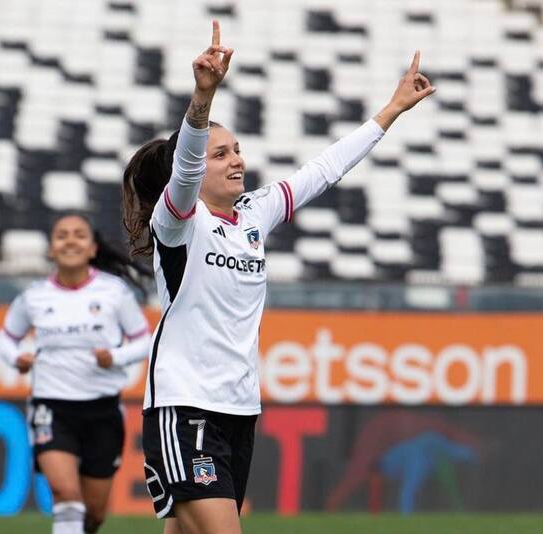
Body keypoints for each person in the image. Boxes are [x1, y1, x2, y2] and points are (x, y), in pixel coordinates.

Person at [122, 20, 435, 534]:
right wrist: (203, 98)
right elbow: (184, 168)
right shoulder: (178, 222)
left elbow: (324, 169)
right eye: (220, 154)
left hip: (238, 407)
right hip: (185, 404)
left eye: (237, 149)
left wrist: (390, 112)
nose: (236, 160)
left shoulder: (253, 216)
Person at [0, 213, 152, 534]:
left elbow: (143, 340)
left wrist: (116, 357)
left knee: (93, 514)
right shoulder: (34, 296)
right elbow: (6, 337)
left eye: (79, 235)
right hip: (51, 408)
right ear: (51, 249)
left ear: (93, 248)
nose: (70, 240)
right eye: (62, 235)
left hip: (103, 410)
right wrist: (17, 358)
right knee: (66, 496)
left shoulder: (114, 292)